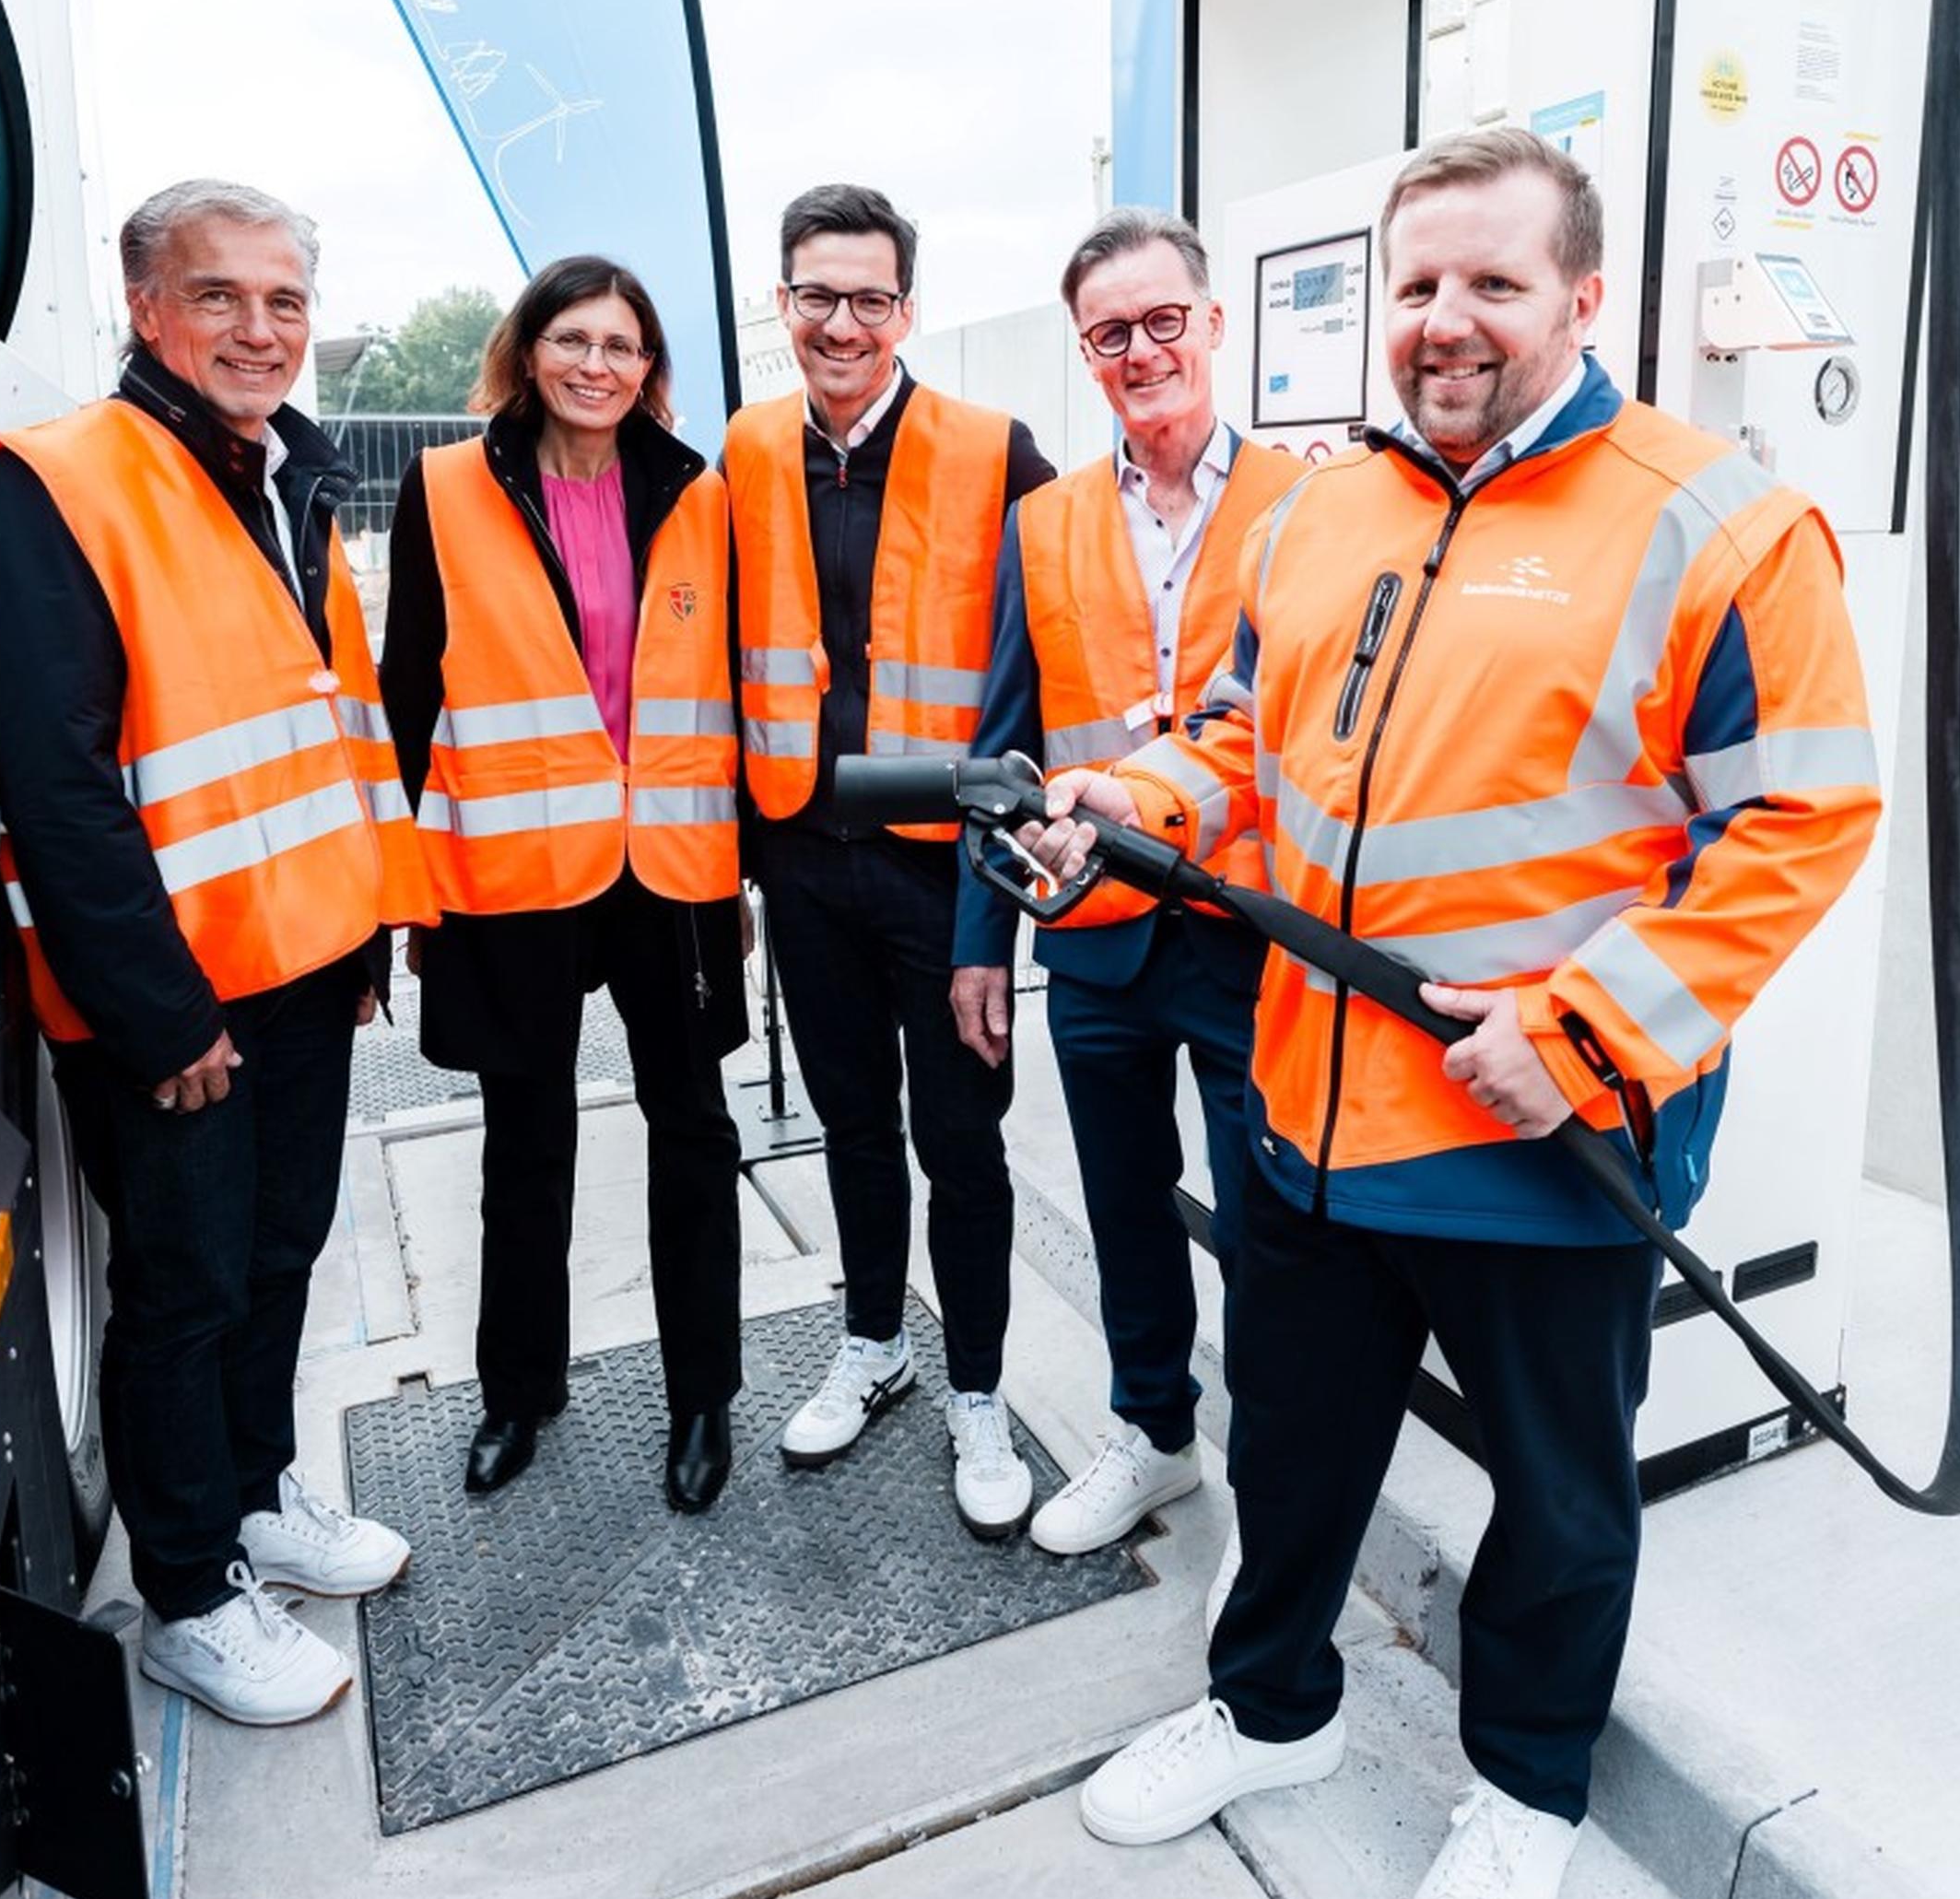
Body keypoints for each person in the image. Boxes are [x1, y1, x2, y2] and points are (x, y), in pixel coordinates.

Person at [1031, 130, 1884, 1899]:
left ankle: (1525, 1793)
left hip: (1541, 1141)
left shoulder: (1717, 522)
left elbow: (1803, 818)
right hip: (1307, 1115)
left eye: (1494, 280)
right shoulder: (1320, 511)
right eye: (1417, 283)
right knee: (1292, 1455)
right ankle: (1274, 1713)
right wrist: (1131, 807)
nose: (1445, 318)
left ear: (1584, 296)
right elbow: (1248, 740)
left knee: (1558, 1506)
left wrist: (1590, 1026)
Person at [0, 178, 434, 1726]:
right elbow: (58, 787)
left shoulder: (284, 477)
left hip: (304, 962)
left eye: (284, 300)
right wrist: (159, 1016)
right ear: (146, 309)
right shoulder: (63, 480)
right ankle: (186, 1592)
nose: (258, 329)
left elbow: (328, 731)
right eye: (219, 295)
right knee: (180, 1292)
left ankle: (251, 1495)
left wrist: (365, 932)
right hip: (179, 1000)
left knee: (277, 1254)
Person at [950, 207, 1301, 1556]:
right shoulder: (1042, 524)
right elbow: (1002, 745)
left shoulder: (1312, 506)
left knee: (1271, 1231)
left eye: (1164, 322)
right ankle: (1155, 1435)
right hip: (1093, 933)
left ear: (1213, 323)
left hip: (1250, 934)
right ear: (1084, 352)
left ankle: (1274, 1488)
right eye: (1111, 334)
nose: (1142, 352)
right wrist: (982, 943)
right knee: (1126, 1208)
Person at [379, 255, 751, 1515]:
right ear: (528, 351)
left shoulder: (698, 493)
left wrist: (737, 879)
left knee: (693, 1129)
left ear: (649, 369)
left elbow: (728, 688)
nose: (598, 365)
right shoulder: (446, 488)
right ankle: (517, 1391)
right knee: (525, 1141)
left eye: (622, 346)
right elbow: (409, 691)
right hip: (517, 864)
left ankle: (703, 1396)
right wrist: (409, 889)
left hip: (671, 869)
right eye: (574, 340)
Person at [722, 182, 1057, 1537]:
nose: (843, 324)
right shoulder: (746, 449)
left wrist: (996, 916)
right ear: (783, 304)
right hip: (806, 859)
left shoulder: (995, 451)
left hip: (946, 873)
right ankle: (876, 1342)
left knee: (960, 1142)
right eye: (818, 296)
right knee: (853, 1125)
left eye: (870, 298)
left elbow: (1041, 676)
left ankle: (978, 1386)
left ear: (908, 310)